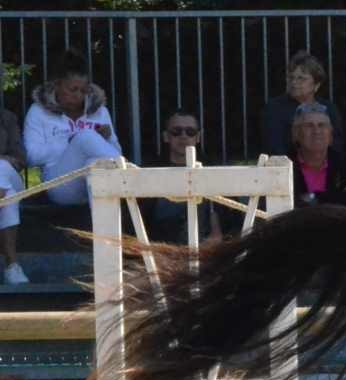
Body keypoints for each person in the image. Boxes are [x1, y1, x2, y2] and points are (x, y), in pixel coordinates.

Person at [23, 48, 123, 206]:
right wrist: (69, 141)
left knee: (96, 164)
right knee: (86, 136)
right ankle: (132, 178)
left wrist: (108, 138)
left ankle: (106, 230)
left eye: (84, 91)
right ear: (57, 85)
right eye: (73, 89)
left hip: (92, 179)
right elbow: (31, 156)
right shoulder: (38, 112)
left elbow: (116, 153)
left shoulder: (100, 111)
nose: (79, 96)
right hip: (58, 182)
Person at [139, 109, 233, 245]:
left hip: (206, 251)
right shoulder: (148, 171)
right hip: (158, 251)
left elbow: (228, 215)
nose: (183, 136)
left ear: (198, 137)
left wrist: (218, 234)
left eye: (190, 132)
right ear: (166, 136)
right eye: (176, 131)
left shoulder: (213, 170)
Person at [288, 102, 346, 214]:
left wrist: (314, 199)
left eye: (322, 125)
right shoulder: (282, 169)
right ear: (296, 134)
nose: (317, 131)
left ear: (331, 135)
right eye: (309, 125)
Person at [261, 50, 345, 158]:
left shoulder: (329, 109)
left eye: (301, 78)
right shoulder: (274, 109)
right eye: (291, 77)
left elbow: (337, 144)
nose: (294, 82)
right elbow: (275, 148)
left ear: (316, 85)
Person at [0, 105, 27, 283]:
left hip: (8, 174)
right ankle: (11, 265)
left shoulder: (6, 117)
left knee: (0, 170)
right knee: (7, 194)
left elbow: (20, 159)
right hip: (5, 189)